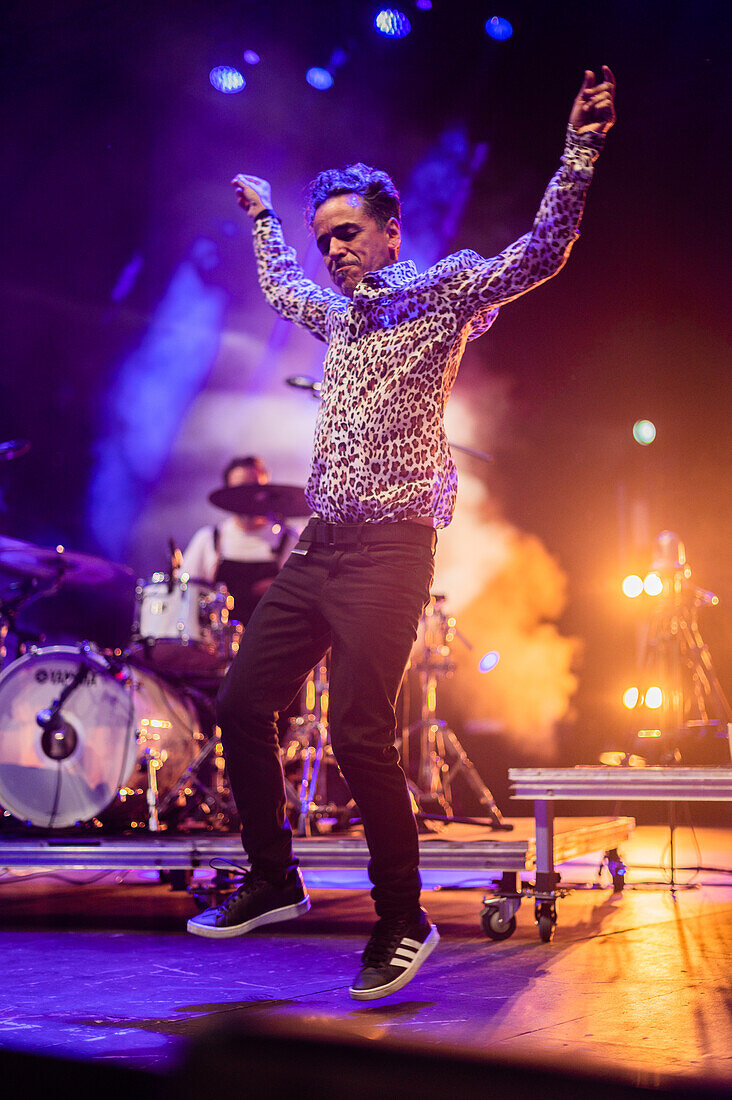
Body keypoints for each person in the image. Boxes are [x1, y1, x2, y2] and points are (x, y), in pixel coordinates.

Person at [188, 68, 616, 999]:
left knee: (358, 732)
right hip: (323, 545)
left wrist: (580, 145)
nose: (334, 252)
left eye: (348, 233)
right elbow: (280, 285)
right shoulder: (335, 314)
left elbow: (541, 251)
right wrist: (266, 218)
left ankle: (402, 919)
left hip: (390, 551)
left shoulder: (444, 291)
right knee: (238, 704)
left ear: (389, 230)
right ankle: (272, 876)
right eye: (325, 239)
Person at [181, 455, 296, 626]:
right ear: (228, 495)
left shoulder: (290, 539)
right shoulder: (208, 539)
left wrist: (282, 588)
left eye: (255, 488)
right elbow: (185, 594)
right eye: (241, 490)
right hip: (215, 646)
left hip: (270, 642)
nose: (249, 497)